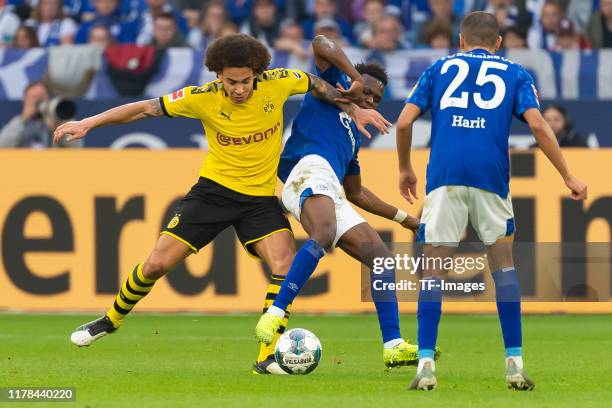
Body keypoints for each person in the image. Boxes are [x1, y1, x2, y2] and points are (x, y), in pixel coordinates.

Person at [54, 34, 390, 362]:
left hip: (259, 200)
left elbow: (321, 87)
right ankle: (110, 319)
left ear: (258, 74)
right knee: (156, 264)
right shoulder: (201, 96)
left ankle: (267, 357)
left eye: (246, 81)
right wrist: (89, 122)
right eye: (232, 82)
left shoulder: (281, 81)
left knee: (285, 265)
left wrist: (354, 107)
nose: (240, 89)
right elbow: (144, 109)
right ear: (218, 76)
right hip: (213, 193)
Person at [396, 11, 587, 390]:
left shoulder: (439, 68)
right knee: (503, 268)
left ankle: (426, 366)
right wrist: (567, 174)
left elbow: (403, 123)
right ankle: (514, 365)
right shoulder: (515, 73)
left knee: (433, 268)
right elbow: (537, 124)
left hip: (445, 177)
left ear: (461, 41)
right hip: (491, 178)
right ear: (498, 43)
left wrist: (405, 168)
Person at [255, 34, 435, 374]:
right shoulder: (331, 88)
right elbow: (321, 42)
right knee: (321, 231)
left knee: (381, 259)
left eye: (377, 98)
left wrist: (404, 219)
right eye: (367, 91)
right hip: (305, 169)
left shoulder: (353, 137)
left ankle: (393, 345)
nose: (370, 99)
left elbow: (356, 192)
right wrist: (352, 78)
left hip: (330, 187)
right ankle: (275, 314)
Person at [0, 81, 81, 148]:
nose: (38, 101)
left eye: (41, 97)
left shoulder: (59, 119)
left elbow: (76, 149)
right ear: (25, 101)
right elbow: (2, 146)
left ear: (48, 98)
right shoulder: (19, 124)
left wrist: (58, 126)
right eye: (33, 97)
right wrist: (22, 120)